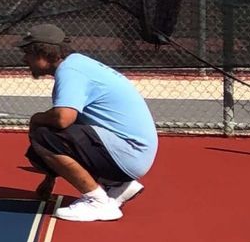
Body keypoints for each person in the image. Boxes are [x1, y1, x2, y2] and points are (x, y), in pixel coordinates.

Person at [19, 22, 158, 223]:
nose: (24, 59)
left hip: (130, 153)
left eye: (28, 53)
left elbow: (62, 119)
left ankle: (98, 202)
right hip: (132, 152)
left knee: (43, 134)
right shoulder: (76, 65)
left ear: (43, 53)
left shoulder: (71, 72)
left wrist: (35, 118)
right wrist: (49, 179)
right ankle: (118, 185)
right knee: (41, 142)